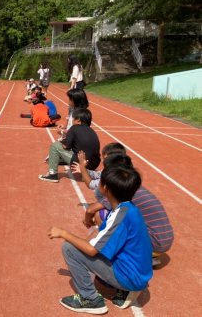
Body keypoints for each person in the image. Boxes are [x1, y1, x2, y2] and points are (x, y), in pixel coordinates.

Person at [48, 164, 153, 314]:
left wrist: (64, 233)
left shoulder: (120, 215)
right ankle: (123, 289)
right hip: (139, 273)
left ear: (106, 189)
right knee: (85, 247)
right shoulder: (127, 208)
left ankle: (91, 299)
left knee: (69, 248)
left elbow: (91, 250)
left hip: (132, 277)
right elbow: (100, 232)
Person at [77, 153, 174, 266]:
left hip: (154, 244)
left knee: (101, 215)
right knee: (119, 217)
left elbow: (90, 210)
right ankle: (147, 256)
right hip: (164, 241)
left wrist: (87, 221)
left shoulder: (120, 191)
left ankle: (134, 256)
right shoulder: (133, 187)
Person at [39, 108, 100, 183]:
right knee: (57, 155)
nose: (72, 121)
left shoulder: (74, 128)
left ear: (78, 120)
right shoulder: (92, 131)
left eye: (73, 119)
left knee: (55, 146)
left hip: (81, 164)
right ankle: (85, 172)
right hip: (94, 164)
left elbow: (65, 146)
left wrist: (62, 138)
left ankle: (52, 175)